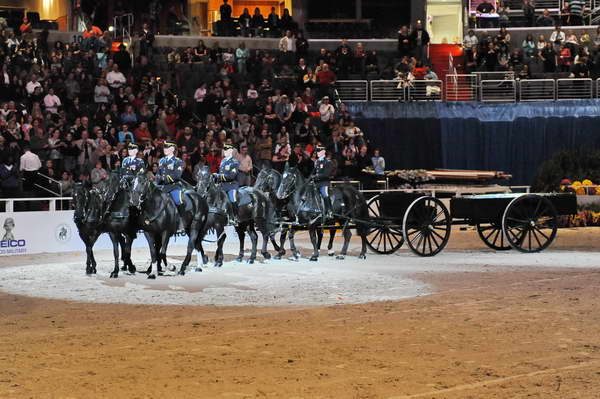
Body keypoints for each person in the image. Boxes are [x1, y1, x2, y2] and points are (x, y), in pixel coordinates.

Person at [155, 141, 187, 226]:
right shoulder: (161, 160)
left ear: (172, 149)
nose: (164, 149)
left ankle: (182, 222)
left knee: (178, 200)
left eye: (167, 148)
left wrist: (164, 179)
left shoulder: (178, 161)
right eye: (164, 148)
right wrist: (156, 181)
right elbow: (158, 172)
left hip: (173, 186)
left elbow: (177, 175)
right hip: (162, 186)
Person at [213, 143, 240, 225]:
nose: (224, 151)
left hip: (231, 185)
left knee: (233, 200)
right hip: (222, 186)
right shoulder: (223, 161)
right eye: (224, 150)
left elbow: (231, 176)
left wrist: (218, 176)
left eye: (226, 150)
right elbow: (222, 172)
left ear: (231, 151)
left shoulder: (234, 162)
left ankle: (235, 218)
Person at [311, 145, 334, 220]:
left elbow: (326, 174)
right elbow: (313, 172)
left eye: (319, 151)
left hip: (324, 183)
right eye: (317, 151)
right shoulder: (317, 162)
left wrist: (316, 176)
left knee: (324, 193)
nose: (317, 153)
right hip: (316, 183)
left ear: (323, 152)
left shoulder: (328, 162)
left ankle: (330, 211)